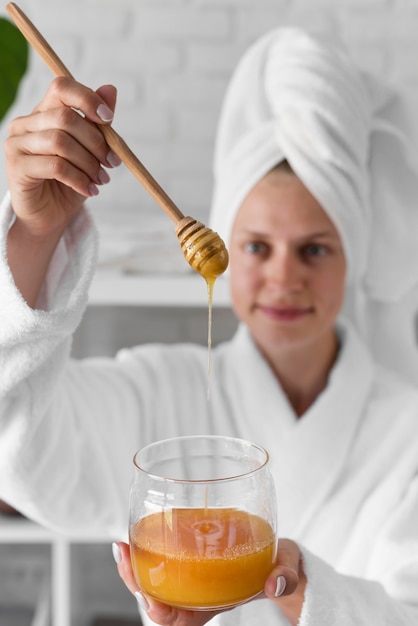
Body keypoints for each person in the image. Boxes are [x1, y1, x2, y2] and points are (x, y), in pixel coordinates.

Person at [1, 26, 418, 626]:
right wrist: (37, 233)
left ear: (356, 255)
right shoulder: (158, 394)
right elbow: (17, 444)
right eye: (254, 247)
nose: (283, 277)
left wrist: (306, 596)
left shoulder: (406, 437)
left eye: (316, 249)